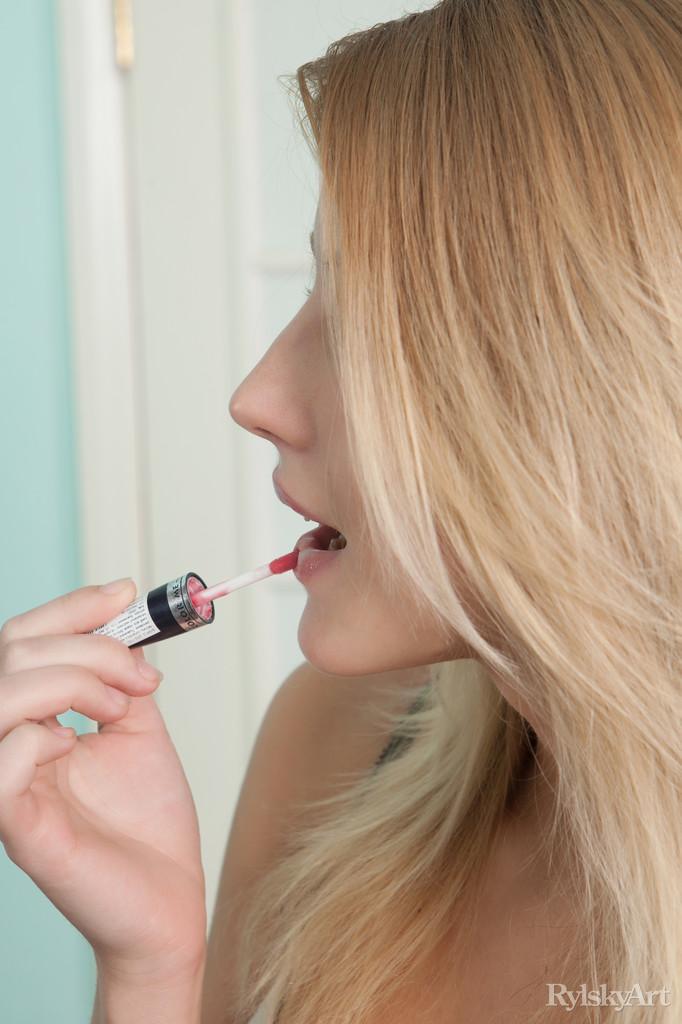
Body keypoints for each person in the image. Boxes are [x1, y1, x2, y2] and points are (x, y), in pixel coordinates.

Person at [0, 1, 679, 1021]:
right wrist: (152, 971)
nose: (255, 398)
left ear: (582, 385)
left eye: (362, 315)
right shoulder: (335, 743)